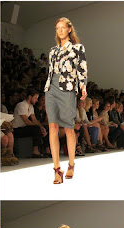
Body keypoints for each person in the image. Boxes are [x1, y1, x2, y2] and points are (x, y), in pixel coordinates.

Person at [44, 17, 87, 183]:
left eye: (63, 27)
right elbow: (51, 71)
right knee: (52, 126)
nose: (60, 30)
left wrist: (83, 87)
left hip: (68, 88)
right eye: (57, 28)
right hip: (51, 88)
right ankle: (56, 169)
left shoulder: (77, 48)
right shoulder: (52, 50)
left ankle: (71, 164)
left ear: (69, 29)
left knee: (69, 128)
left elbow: (82, 69)